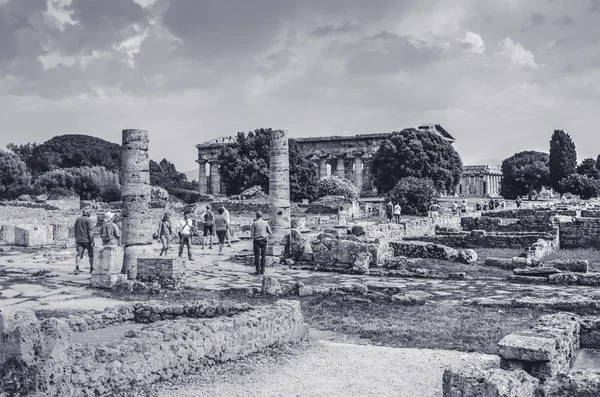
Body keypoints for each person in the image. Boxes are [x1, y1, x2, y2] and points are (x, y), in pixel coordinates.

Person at [74, 207, 95, 275]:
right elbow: (90, 231)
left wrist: (76, 238)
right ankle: (91, 268)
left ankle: (77, 268)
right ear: (88, 213)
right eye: (90, 212)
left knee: (79, 254)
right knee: (91, 255)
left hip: (79, 239)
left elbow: (75, 230)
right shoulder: (88, 220)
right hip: (87, 240)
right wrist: (92, 240)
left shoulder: (78, 219)